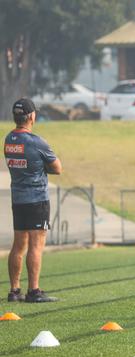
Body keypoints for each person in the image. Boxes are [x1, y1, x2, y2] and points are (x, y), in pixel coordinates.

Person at [4, 98, 62, 302]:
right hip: (36, 199)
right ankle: (34, 291)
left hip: (18, 199)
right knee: (36, 245)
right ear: (31, 116)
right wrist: (39, 167)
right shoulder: (37, 141)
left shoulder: (9, 139)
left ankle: (14, 291)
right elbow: (57, 168)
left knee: (18, 244)